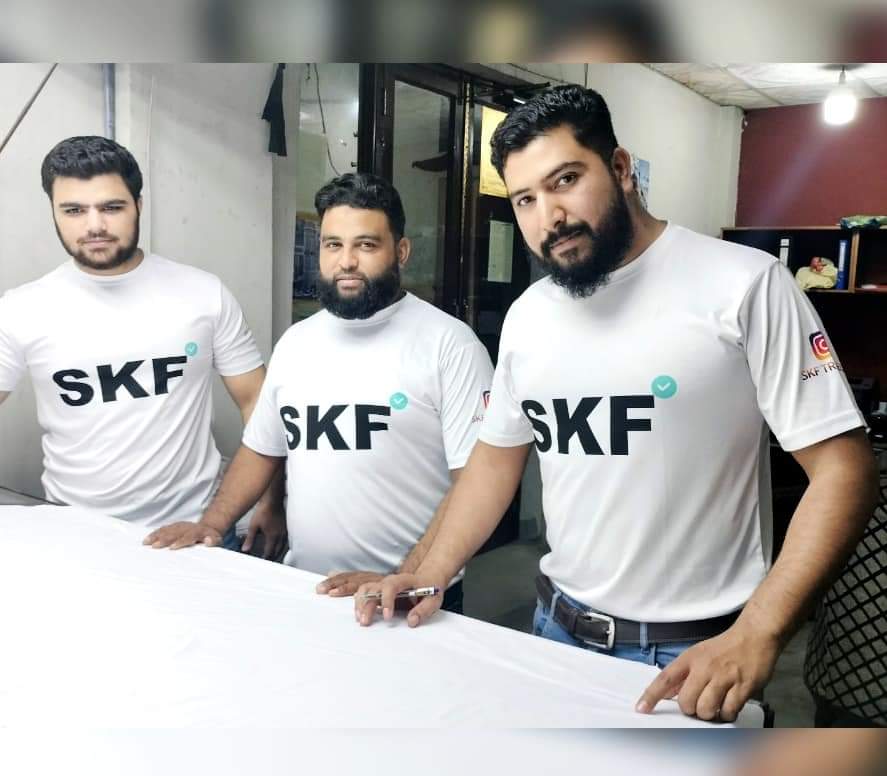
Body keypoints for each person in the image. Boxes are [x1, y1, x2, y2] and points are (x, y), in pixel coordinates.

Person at [353, 85, 879, 722]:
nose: (549, 216)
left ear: (622, 168)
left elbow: (845, 470)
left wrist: (759, 632)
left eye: (566, 180)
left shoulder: (744, 284)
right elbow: (494, 461)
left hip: (691, 656)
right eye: (525, 199)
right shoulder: (529, 316)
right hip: (554, 628)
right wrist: (431, 568)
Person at [144, 173, 494, 613]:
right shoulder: (297, 342)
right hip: (306, 590)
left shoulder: (450, 345)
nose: (346, 261)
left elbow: (474, 481)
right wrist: (212, 525)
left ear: (401, 251)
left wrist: (409, 577)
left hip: (408, 597)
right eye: (333, 244)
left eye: (366, 245)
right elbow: (261, 449)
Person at [0, 136, 286, 557]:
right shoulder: (22, 308)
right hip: (76, 536)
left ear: (138, 205)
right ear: (54, 213)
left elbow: (259, 406)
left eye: (111, 207)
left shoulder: (203, 293)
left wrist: (270, 501)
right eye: (74, 210)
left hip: (196, 532)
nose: (94, 226)